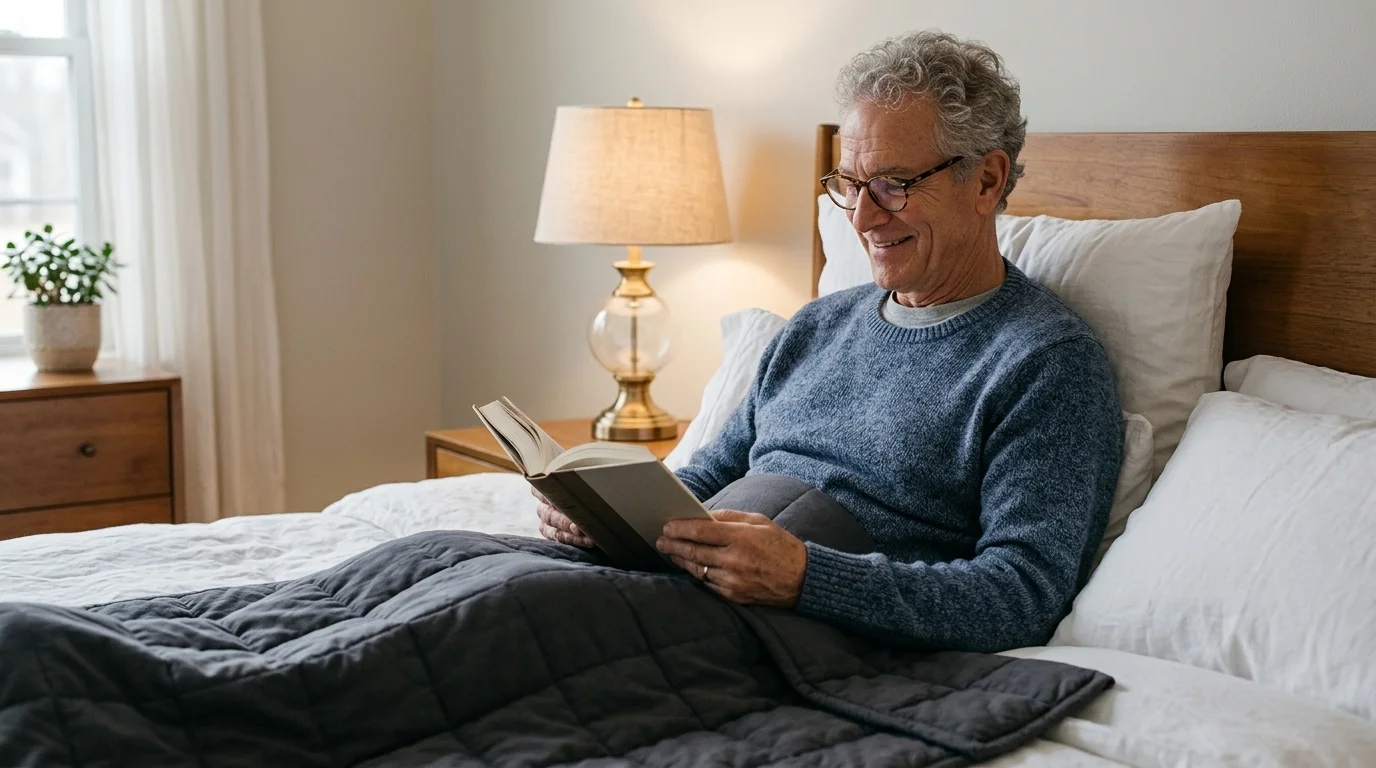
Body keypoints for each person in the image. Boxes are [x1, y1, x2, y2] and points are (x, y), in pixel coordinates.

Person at [535, 29, 1123, 653]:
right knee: (443, 566)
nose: (864, 219)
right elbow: (705, 479)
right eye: (850, 184)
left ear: (985, 181)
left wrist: (806, 579)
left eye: (894, 184)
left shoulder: (1045, 363)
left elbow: (1020, 597)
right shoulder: (816, 326)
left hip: (804, 634)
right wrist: (607, 516)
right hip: (690, 587)